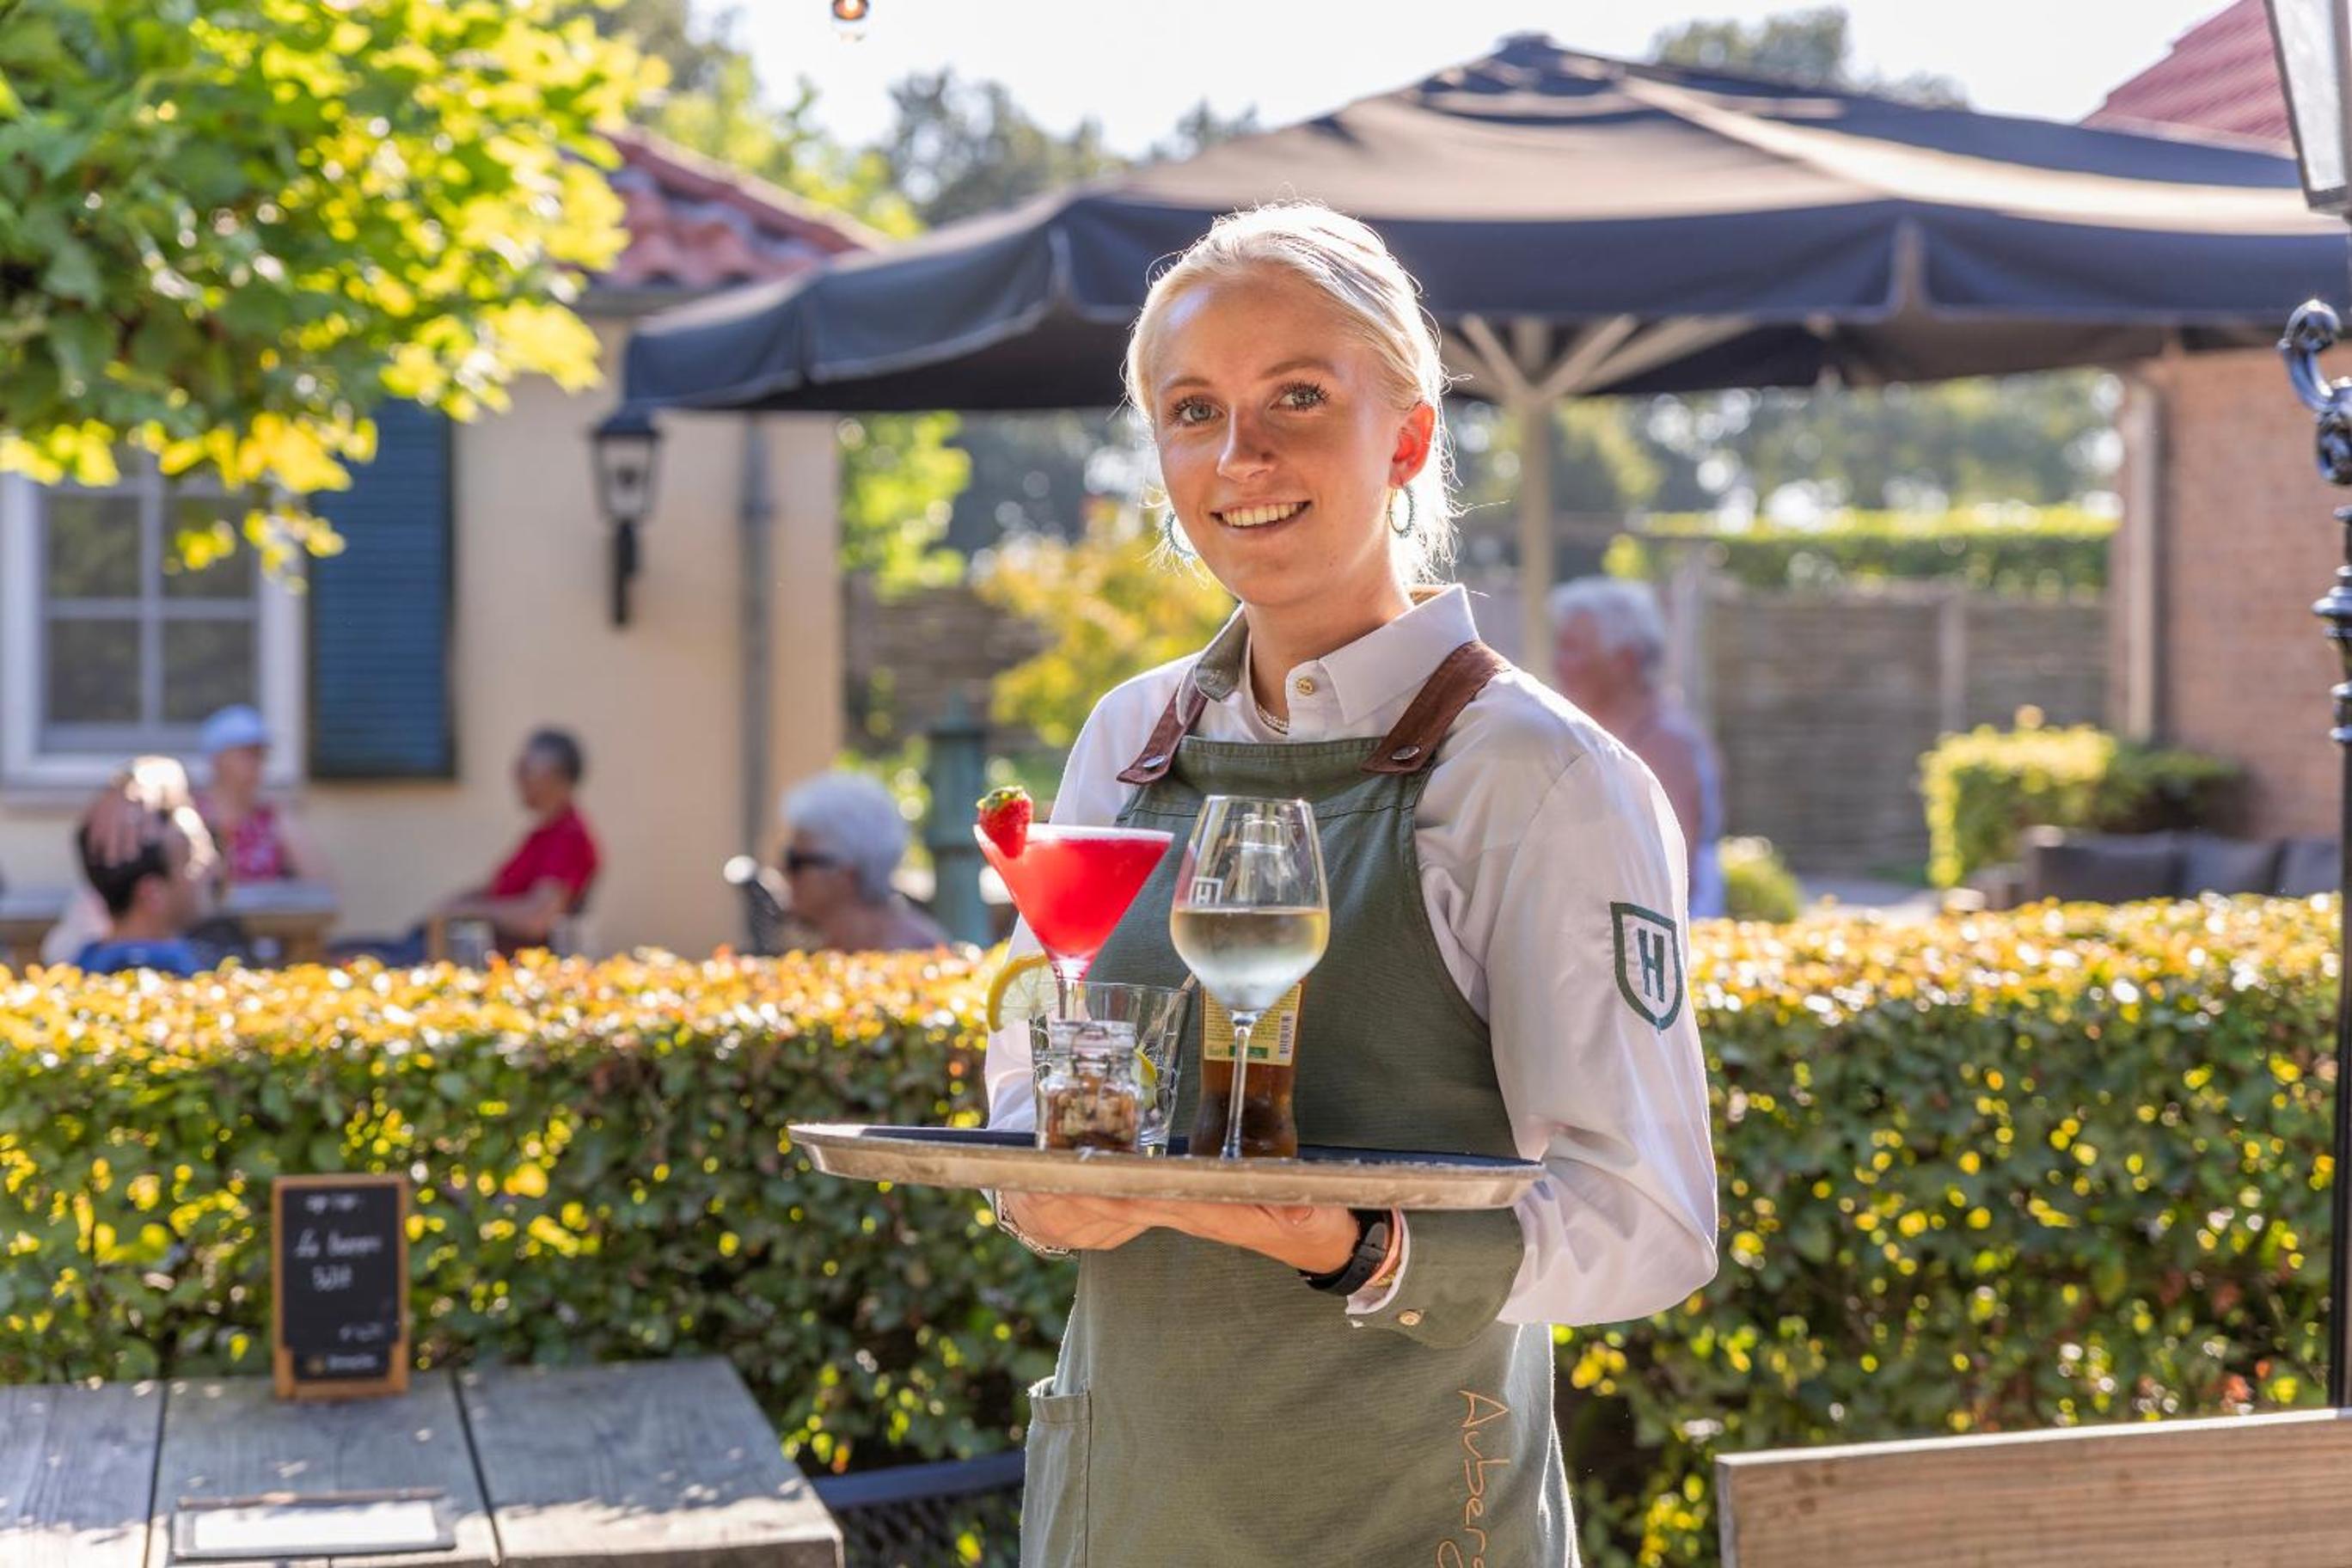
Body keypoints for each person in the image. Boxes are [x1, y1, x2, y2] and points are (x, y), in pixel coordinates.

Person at [982, 203, 1718, 1565]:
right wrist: (1036, 1176)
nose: (1240, 455)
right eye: (1193, 411)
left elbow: (1647, 1223)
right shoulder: (1127, 743)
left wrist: (1362, 1244)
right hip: (1121, 1515)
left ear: (1411, 437)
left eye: (1299, 397)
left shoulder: (1536, 776)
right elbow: (1039, 1052)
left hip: (1410, 1519)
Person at [1549, 577, 1729, 919]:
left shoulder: (1666, 744)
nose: (1558, 662)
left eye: (1572, 648)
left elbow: (1671, 879)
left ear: (1625, 660)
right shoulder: (1594, 736)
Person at [431, 729, 601, 952]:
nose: (516, 778)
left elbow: (537, 919)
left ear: (556, 777)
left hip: (511, 958)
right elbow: (502, 891)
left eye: (524, 769)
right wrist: (459, 903)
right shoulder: (544, 834)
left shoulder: (569, 837)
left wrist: (470, 909)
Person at [775, 771, 948, 953]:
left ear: (847, 874)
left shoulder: (920, 953)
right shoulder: (832, 947)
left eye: (796, 861)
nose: (784, 869)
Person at [72, 796, 218, 977]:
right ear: (152, 893)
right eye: (193, 862)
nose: (211, 871)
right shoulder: (156, 980)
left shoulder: (84, 964)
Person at [193, 704, 330, 887]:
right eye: (247, 755)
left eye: (261, 756)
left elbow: (323, 888)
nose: (257, 764)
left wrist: (287, 821)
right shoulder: (190, 817)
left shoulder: (272, 820)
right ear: (218, 759)